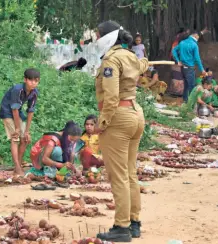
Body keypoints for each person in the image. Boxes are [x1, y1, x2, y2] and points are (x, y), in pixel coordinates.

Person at [94, 20, 148, 242]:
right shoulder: (129, 56)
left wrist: (103, 123)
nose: (96, 40)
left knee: (119, 177)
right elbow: (143, 65)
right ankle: (134, 223)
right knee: (129, 173)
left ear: (107, 37)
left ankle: (121, 227)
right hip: (135, 114)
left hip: (119, 118)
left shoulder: (111, 60)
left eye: (98, 35)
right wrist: (144, 59)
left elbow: (111, 96)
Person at [0, 68, 40, 176]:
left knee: (25, 139)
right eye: (31, 80)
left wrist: (27, 131)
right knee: (15, 138)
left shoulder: (34, 92)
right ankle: (17, 167)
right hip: (7, 111)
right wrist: (17, 128)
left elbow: (30, 111)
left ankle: (19, 164)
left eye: (36, 81)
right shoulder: (18, 90)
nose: (33, 83)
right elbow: (14, 109)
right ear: (25, 80)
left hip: (18, 112)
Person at [172, 31, 207, 103]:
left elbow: (174, 50)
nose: (198, 38)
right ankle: (191, 104)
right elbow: (197, 59)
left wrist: (178, 60)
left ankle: (185, 101)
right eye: (198, 37)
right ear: (195, 35)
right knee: (192, 87)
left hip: (183, 68)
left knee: (186, 86)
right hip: (189, 69)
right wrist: (202, 70)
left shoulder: (182, 43)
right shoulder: (194, 45)